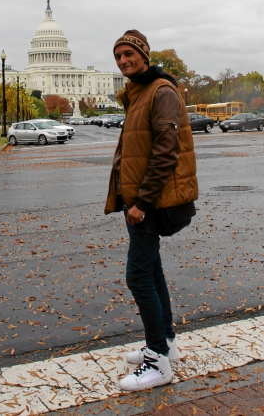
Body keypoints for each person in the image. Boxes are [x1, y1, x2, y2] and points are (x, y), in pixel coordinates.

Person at [105, 30, 198, 392]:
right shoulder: (139, 92)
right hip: (138, 198)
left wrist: (141, 202)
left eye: (129, 54)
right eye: (118, 56)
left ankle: (157, 361)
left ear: (144, 54)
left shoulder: (160, 91)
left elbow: (165, 150)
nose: (124, 61)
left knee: (139, 276)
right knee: (153, 270)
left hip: (149, 201)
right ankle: (167, 343)